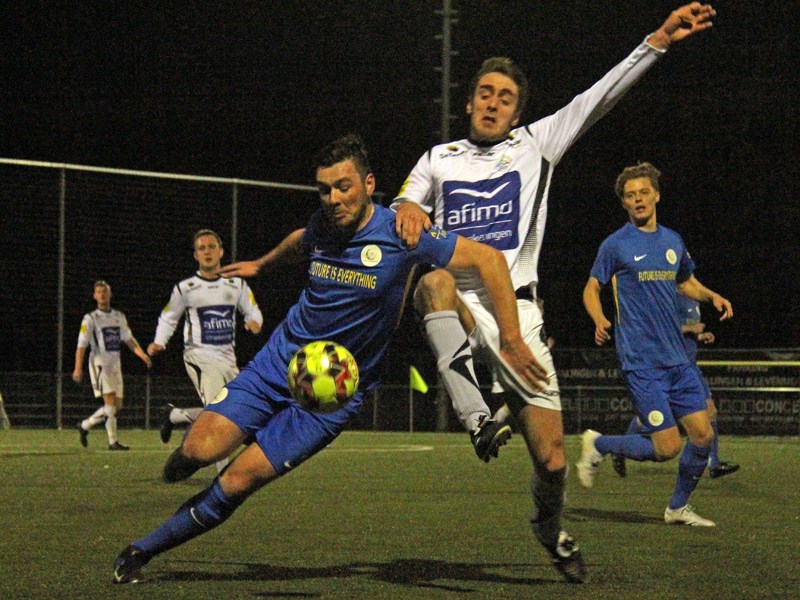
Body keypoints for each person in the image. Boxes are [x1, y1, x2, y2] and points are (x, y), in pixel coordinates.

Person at [111, 134, 580, 583]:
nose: (333, 199)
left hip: (332, 398)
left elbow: (489, 260)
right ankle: (183, 458)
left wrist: (512, 338)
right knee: (200, 450)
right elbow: (300, 240)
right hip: (280, 363)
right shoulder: (322, 225)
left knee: (237, 481)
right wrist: (262, 264)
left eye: (343, 186)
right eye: (324, 190)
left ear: (369, 184)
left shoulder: (403, 232)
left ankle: (142, 550)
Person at [392, 0, 715, 574]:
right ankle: (476, 415)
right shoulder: (437, 158)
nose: (493, 103)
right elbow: (404, 205)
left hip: (518, 313)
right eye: (485, 93)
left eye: (505, 97)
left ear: (517, 112)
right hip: (459, 304)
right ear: (469, 103)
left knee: (553, 460)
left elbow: (600, 97)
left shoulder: (536, 144)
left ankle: (548, 527)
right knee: (433, 281)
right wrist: (406, 209)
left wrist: (658, 41)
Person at [579, 162, 733, 527]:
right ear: (624, 203)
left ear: (656, 196)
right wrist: (599, 318)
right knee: (667, 448)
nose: (638, 199)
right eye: (630, 195)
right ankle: (599, 444)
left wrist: (711, 296)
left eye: (644, 192)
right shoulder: (615, 245)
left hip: (678, 360)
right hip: (641, 362)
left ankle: (677, 508)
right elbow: (591, 288)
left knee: (702, 434)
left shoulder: (672, 240)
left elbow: (685, 282)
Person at [148, 229, 263, 473]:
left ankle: (174, 416)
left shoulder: (236, 284)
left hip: (227, 358)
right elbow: (169, 317)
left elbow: (252, 310)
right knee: (220, 415)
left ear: (221, 251)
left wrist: (254, 322)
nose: (207, 252)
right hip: (199, 356)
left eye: (212, 247)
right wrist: (159, 341)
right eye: (202, 248)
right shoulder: (186, 288)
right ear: (195, 255)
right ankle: (223, 476)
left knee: (237, 412)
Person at [612, 292, 740, 479]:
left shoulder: (693, 297)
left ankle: (714, 463)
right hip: (671, 366)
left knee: (710, 411)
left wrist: (699, 335)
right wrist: (690, 328)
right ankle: (619, 449)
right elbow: (660, 329)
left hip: (689, 366)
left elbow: (683, 332)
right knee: (647, 419)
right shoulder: (670, 296)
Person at [73, 280, 152, 450]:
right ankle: (112, 441)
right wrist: (78, 367)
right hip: (100, 364)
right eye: (99, 292)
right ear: (94, 296)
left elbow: (129, 340)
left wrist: (142, 355)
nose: (102, 295)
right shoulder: (90, 318)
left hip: (115, 365)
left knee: (117, 406)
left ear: (110, 294)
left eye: (105, 291)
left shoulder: (119, 316)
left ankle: (85, 425)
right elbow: (81, 345)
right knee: (109, 403)